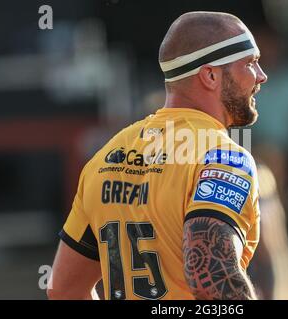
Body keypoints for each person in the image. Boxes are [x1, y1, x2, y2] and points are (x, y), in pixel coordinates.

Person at [47, 11, 267, 300]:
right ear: (210, 75)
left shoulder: (106, 157)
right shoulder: (223, 156)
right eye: (250, 63)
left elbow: (64, 289)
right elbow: (211, 277)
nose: (261, 75)